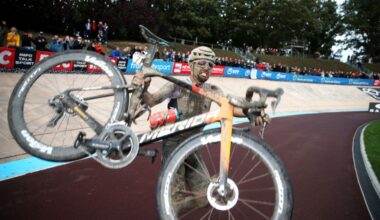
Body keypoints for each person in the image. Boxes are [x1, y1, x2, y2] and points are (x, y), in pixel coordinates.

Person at [131, 46, 254, 213]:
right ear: (191, 65)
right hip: (174, 144)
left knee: (210, 196)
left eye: (210, 65)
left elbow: (231, 109)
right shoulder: (178, 85)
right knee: (175, 205)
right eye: (202, 63)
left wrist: (250, 111)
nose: (206, 68)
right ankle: (170, 203)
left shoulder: (213, 90)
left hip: (194, 145)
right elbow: (151, 101)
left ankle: (190, 194)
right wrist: (143, 87)